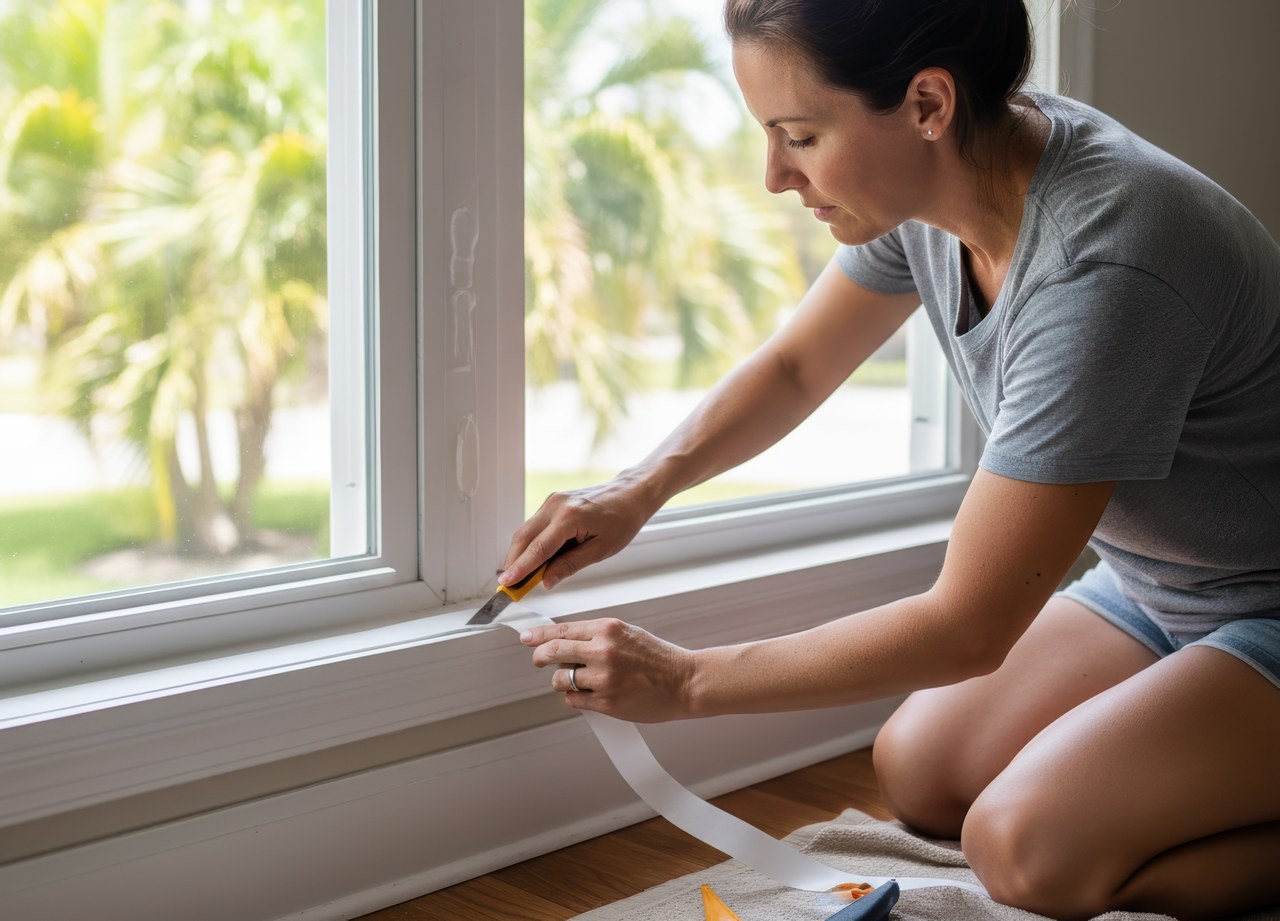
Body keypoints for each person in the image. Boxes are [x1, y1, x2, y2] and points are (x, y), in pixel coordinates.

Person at [504, 1, 1280, 918]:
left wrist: (685, 681)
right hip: (1164, 585)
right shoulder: (937, 189)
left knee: (1021, 852)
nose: (774, 176)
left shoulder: (1104, 264)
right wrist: (638, 491)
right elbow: (796, 368)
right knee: (921, 767)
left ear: (926, 103)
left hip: (1266, 597)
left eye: (799, 135)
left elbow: (968, 627)